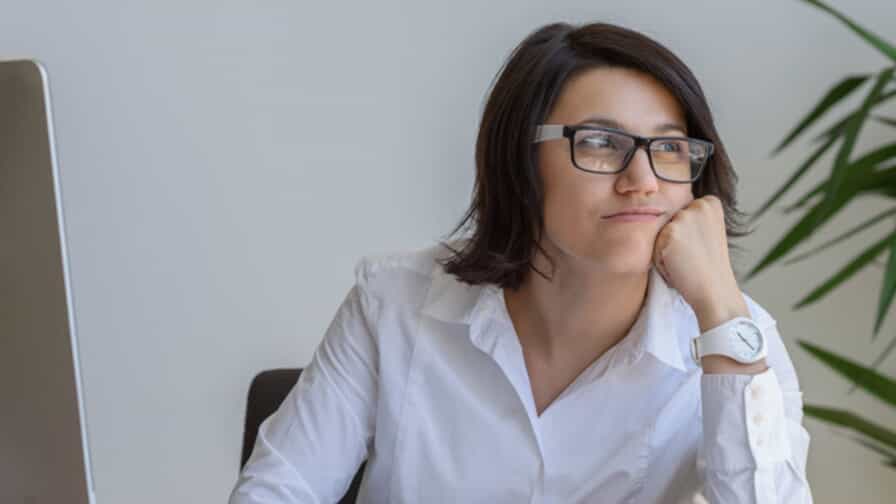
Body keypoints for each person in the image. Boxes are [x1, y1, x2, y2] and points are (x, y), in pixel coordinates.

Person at [229, 21, 813, 504]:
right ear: (520, 162)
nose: (643, 181)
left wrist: (720, 306)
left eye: (669, 148)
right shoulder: (394, 305)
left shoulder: (737, 341)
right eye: (600, 143)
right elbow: (277, 492)